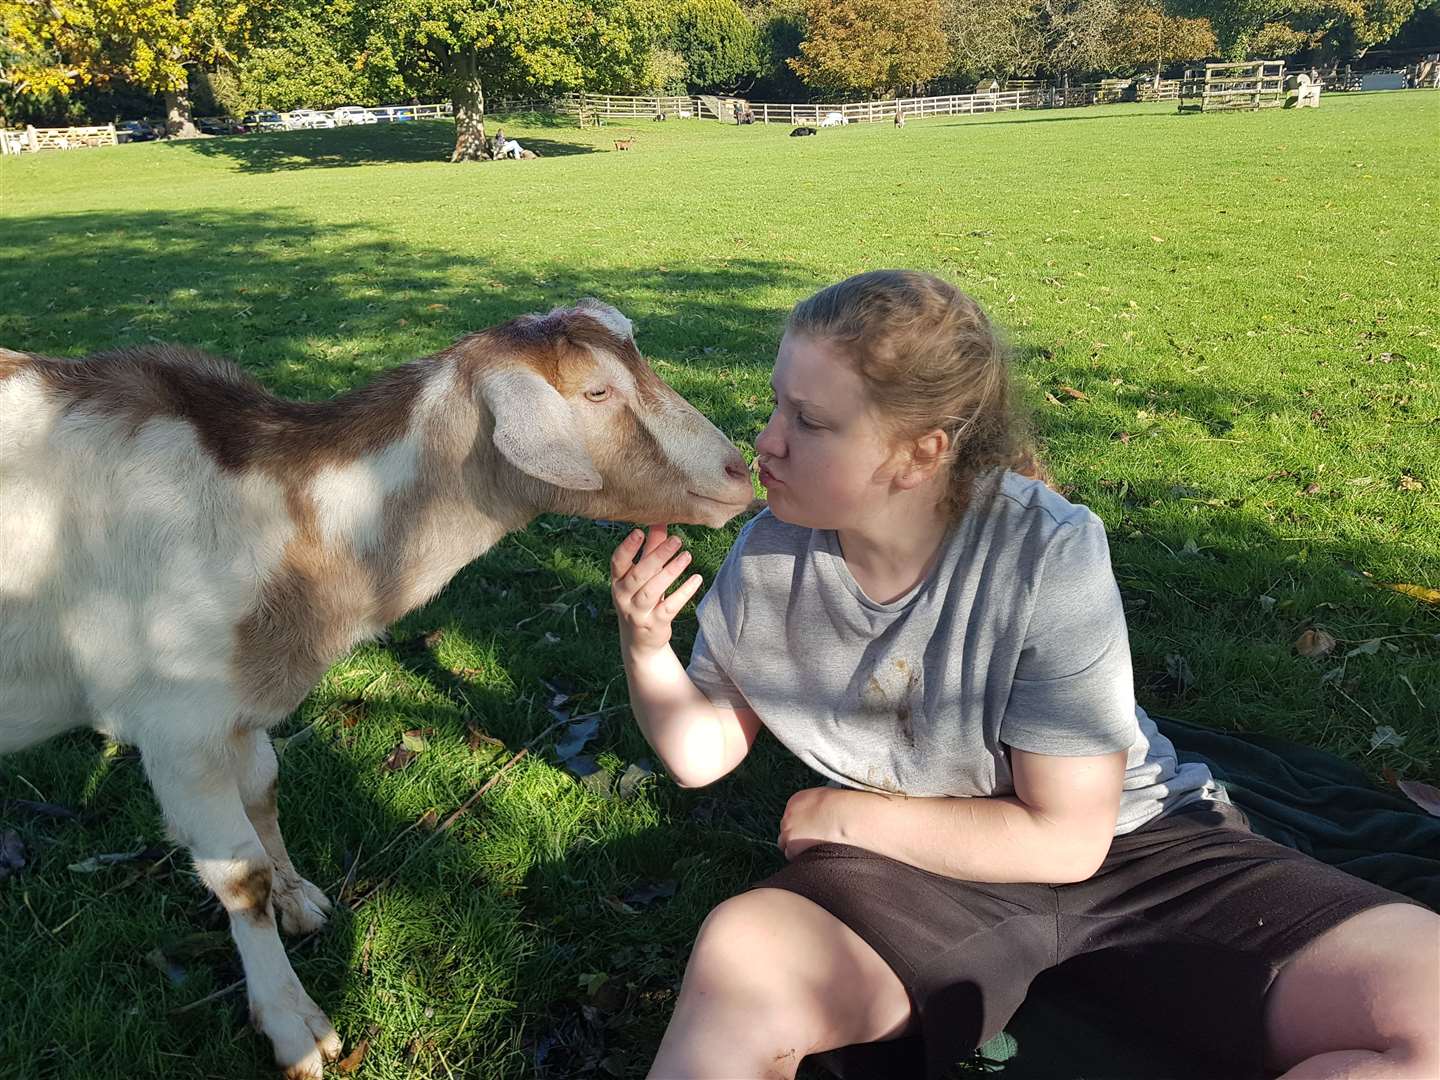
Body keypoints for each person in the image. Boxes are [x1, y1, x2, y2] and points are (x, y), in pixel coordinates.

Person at [609, 270, 1439, 1080]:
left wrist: (842, 814)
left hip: (1137, 849)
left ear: (919, 453)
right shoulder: (768, 558)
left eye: (810, 420)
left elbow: (1070, 837)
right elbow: (701, 754)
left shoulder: (1045, 550)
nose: (766, 440)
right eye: (776, 403)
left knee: (1425, 1018)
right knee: (739, 967)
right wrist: (648, 644)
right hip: (919, 873)